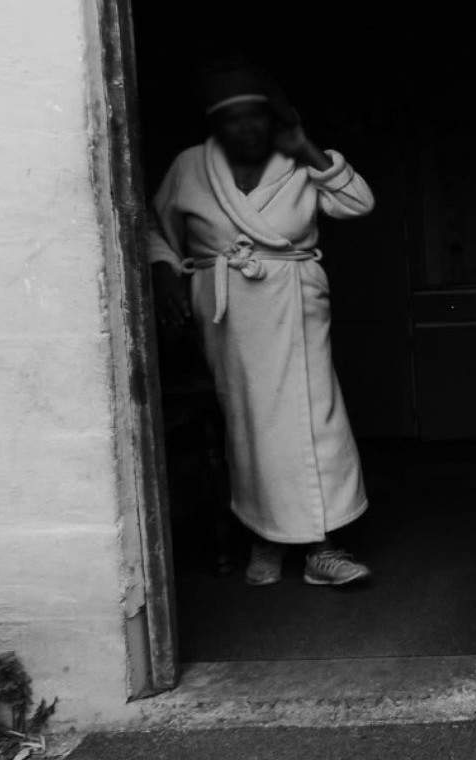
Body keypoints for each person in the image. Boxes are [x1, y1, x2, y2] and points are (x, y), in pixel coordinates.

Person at [148, 60, 376, 587]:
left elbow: (358, 203)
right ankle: (265, 534)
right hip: (228, 307)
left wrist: (308, 149)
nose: (248, 129)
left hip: (294, 299)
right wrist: (164, 270)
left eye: (258, 118)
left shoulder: (297, 161)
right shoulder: (189, 167)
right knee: (248, 423)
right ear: (216, 126)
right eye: (235, 120)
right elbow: (151, 226)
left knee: (314, 417)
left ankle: (324, 547)